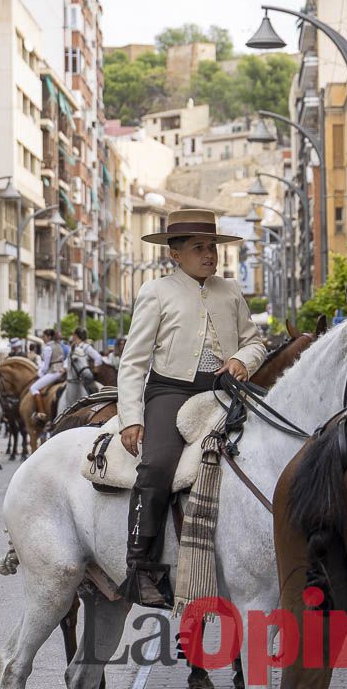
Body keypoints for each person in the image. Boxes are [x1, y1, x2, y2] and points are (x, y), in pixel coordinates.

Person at [117, 208, 267, 608]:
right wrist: (131, 418)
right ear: (175, 254)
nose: (209, 254)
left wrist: (242, 361)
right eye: (199, 248)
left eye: (213, 247)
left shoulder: (231, 291)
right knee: (158, 465)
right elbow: (133, 361)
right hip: (170, 392)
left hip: (225, 393)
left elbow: (256, 342)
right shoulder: (156, 292)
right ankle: (141, 566)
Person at [29, 329, 66, 422]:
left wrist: (39, 374)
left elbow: (45, 367)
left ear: (49, 337)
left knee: (33, 388)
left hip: (53, 372)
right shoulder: (59, 345)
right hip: (61, 371)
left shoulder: (48, 348)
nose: (43, 338)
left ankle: (41, 412)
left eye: (44, 336)